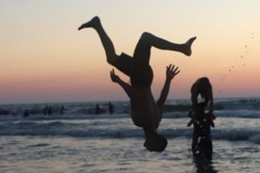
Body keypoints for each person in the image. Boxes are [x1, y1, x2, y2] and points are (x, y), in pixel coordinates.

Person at [79, 15, 195, 152]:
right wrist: (119, 82)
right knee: (145, 38)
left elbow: (162, 99)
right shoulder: (140, 121)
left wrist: (168, 79)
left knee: (112, 57)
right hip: (139, 77)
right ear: (153, 141)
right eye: (151, 148)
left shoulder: (157, 121)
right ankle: (183, 48)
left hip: (145, 77)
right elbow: (134, 95)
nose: (147, 148)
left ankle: (97, 26)